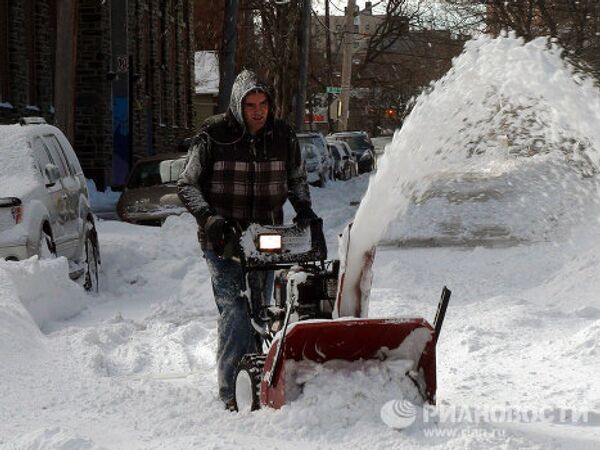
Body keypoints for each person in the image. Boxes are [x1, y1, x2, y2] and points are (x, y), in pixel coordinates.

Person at [177, 69, 319, 410]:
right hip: (223, 241)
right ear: (237, 107)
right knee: (237, 311)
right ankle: (231, 391)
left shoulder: (282, 135)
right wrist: (210, 219)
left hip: (267, 239)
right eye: (250, 105)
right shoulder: (214, 135)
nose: (257, 111)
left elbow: (297, 179)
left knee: (263, 308)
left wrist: (303, 209)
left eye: (263, 104)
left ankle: (259, 375)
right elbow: (186, 184)